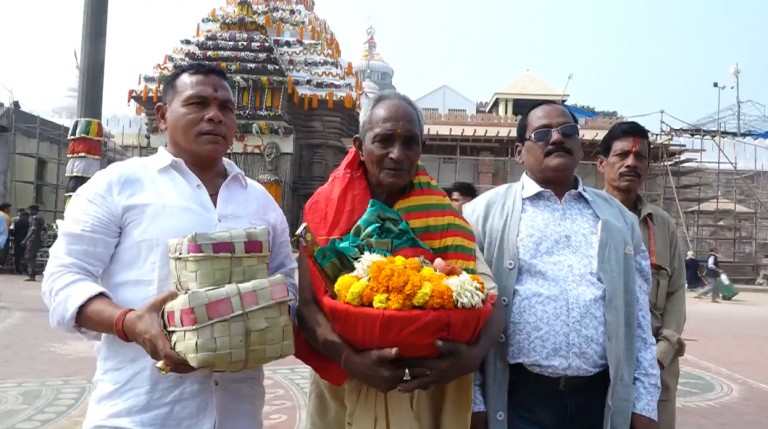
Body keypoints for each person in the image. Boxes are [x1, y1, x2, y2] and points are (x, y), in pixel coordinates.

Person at [42, 62, 297, 429]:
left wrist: (263, 316)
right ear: (162, 116)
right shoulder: (117, 185)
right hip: (139, 414)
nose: (215, 116)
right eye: (197, 104)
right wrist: (130, 323)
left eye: (226, 108)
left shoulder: (260, 201)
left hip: (238, 414)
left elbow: (287, 284)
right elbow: (64, 278)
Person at [295, 91, 505, 429]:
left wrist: (470, 359)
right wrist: (350, 360)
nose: (397, 154)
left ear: (422, 147)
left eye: (410, 143)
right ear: (359, 146)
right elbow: (307, 305)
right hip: (345, 387)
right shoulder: (325, 212)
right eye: (383, 141)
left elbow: (494, 301)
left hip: (429, 391)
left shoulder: (443, 219)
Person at [463, 101, 660, 429]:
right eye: (541, 133)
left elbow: (638, 322)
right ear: (518, 151)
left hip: (598, 400)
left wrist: (644, 404)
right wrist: (476, 400)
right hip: (519, 399)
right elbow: (466, 318)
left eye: (567, 131)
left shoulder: (620, 220)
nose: (556, 138)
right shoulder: (482, 215)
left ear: (579, 145)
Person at [597, 121, 686, 429]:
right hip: (597, 366)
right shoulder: (585, 217)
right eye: (622, 155)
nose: (632, 163)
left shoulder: (662, 226)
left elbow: (675, 297)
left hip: (656, 365)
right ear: (601, 163)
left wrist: (660, 354)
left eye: (641, 158)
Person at [22, 216, 44, 281]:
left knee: (29, 257)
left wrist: (25, 239)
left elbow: (33, 230)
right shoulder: (40, 219)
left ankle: (32, 274)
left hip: (32, 241)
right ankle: (32, 273)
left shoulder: (35, 218)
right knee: (30, 257)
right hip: (35, 241)